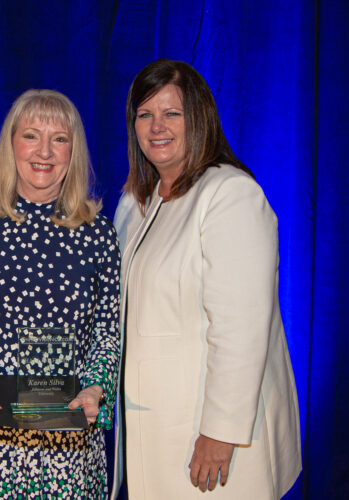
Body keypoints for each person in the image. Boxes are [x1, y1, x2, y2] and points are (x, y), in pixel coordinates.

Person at [111, 59, 302, 499]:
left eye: (171, 114)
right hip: (151, 428)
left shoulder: (229, 195)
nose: (157, 126)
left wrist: (220, 432)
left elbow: (241, 328)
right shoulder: (134, 204)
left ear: (199, 118)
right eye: (145, 115)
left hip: (208, 435)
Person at [0, 89, 121, 498]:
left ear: (73, 150)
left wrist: (95, 387)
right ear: (11, 144)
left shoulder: (98, 233)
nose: (45, 151)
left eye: (59, 138)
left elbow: (108, 331)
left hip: (69, 444)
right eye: (31, 135)